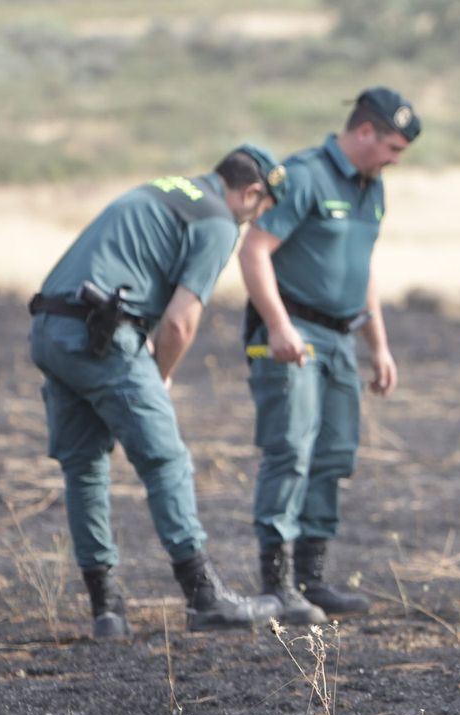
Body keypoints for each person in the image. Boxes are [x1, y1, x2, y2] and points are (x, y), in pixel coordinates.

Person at [28, 145, 289, 640]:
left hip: (49, 328)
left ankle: (106, 609)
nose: (258, 220)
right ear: (252, 193)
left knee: (84, 468)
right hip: (100, 339)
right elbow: (179, 322)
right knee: (165, 460)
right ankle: (204, 596)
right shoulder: (217, 222)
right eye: (263, 210)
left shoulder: (166, 189)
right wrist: (161, 375)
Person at [238, 87, 418, 624]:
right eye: (391, 147)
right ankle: (277, 584)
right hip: (293, 335)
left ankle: (311, 579)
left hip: (342, 338)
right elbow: (253, 250)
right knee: (290, 449)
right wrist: (277, 327)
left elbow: (361, 268)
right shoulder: (305, 176)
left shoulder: (373, 188)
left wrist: (378, 345)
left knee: (335, 454)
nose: (394, 159)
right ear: (364, 132)